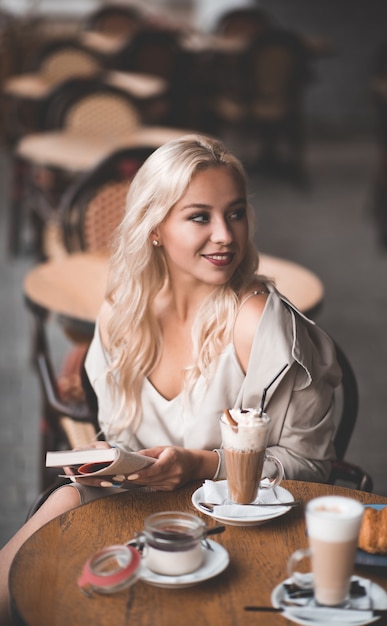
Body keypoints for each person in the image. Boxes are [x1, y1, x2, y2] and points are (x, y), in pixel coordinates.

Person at [0, 134, 341, 623]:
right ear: (155, 227)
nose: (225, 234)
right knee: (39, 542)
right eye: (200, 216)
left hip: (237, 516)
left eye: (236, 213)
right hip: (136, 501)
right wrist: (108, 461)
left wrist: (201, 464)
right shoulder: (123, 310)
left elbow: (312, 470)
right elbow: (120, 434)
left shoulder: (257, 322)